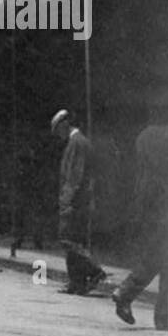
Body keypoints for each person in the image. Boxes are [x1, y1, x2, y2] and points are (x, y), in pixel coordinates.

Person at [113, 111, 168, 330]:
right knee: (167, 258)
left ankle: (130, 294)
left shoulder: (145, 136)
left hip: (148, 203)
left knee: (162, 256)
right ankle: (164, 316)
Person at [50, 109, 107, 295]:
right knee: (73, 241)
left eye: (57, 129)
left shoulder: (77, 142)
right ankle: (77, 283)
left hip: (75, 202)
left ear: (65, 124)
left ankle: (95, 271)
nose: (58, 134)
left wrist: (67, 201)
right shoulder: (77, 142)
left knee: (68, 240)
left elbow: (75, 176)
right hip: (79, 201)